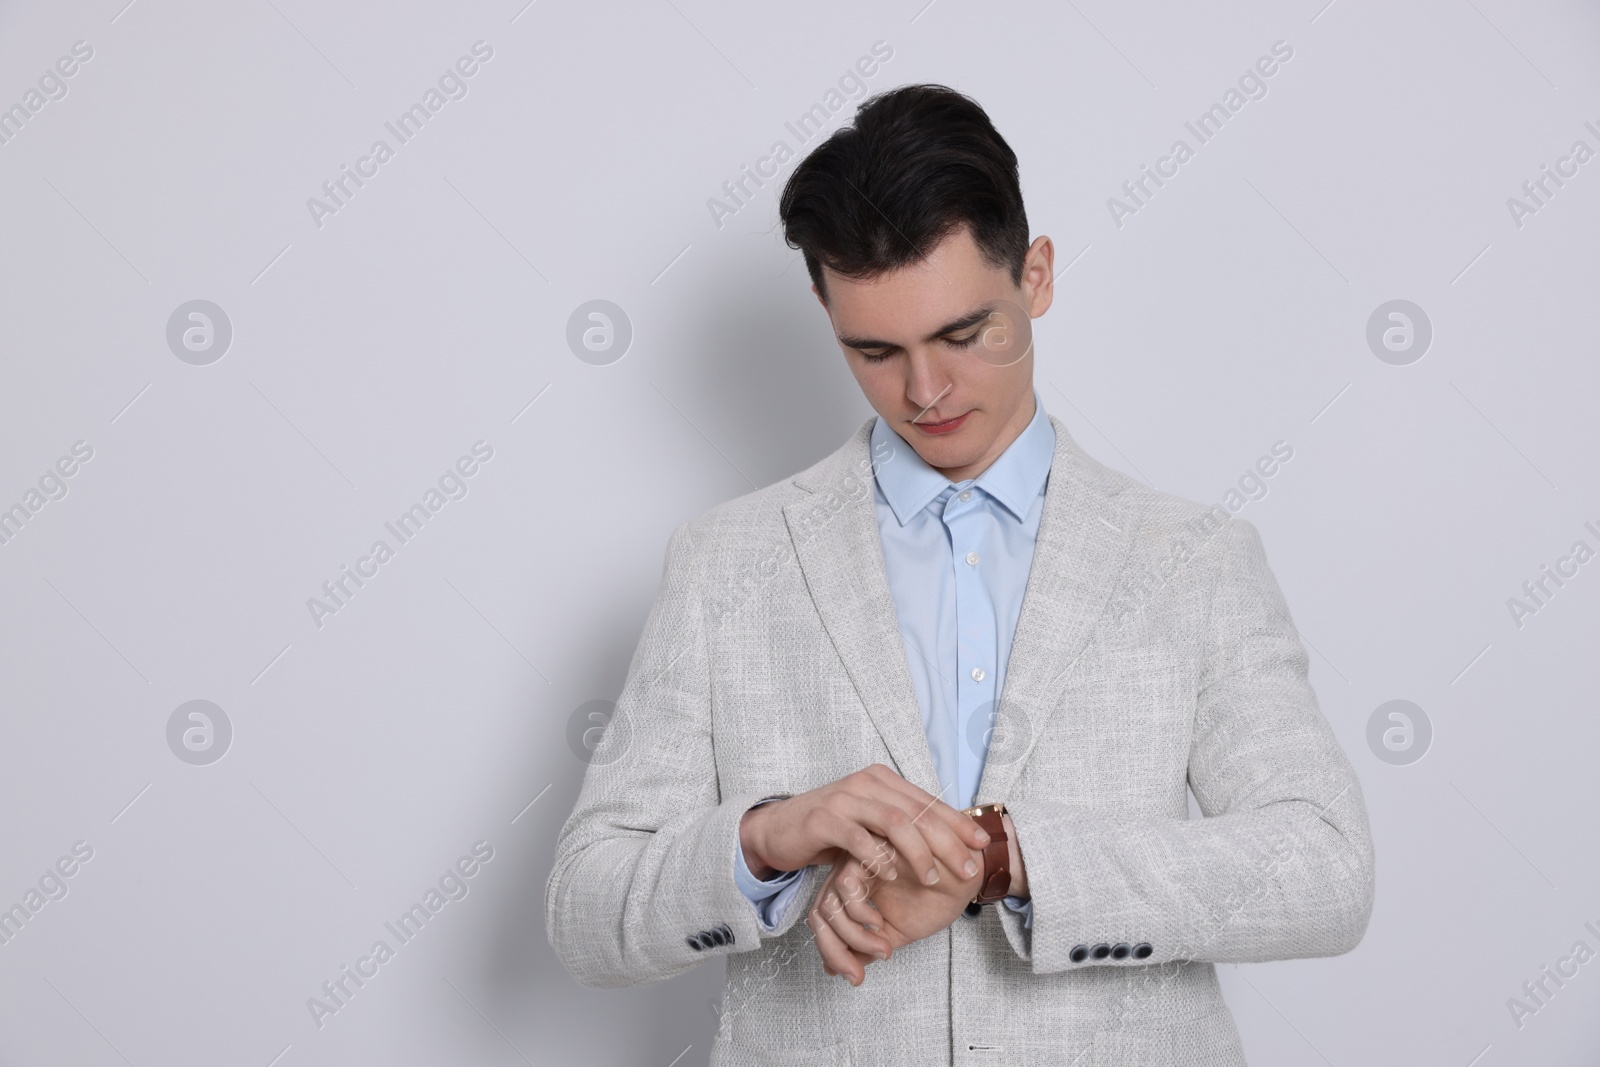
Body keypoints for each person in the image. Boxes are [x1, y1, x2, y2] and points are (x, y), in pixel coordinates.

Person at [546, 83, 1373, 1067]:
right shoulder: (726, 561)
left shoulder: (1192, 558)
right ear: (823, 309)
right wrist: (773, 833)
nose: (926, 391)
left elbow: (1323, 866)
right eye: (874, 349)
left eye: (962, 334)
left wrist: (999, 856)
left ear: (1037, 275)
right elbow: (585, 908)